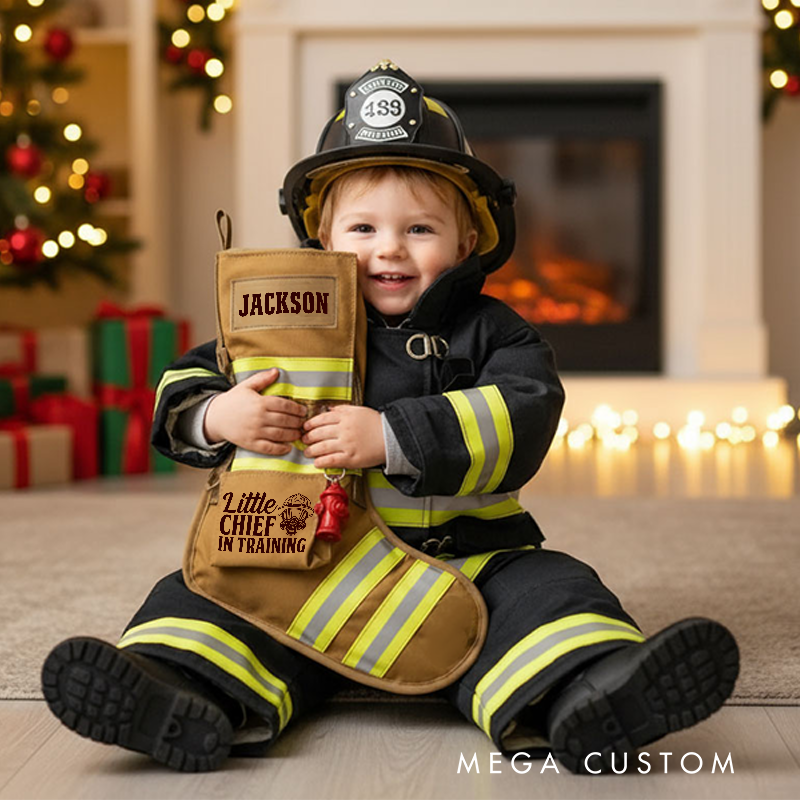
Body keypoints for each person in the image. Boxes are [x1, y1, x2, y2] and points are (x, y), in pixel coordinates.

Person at [42, 61, 739, 775]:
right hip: (299, 568)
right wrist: (220, 414)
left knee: (554, 591)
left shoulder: (494, 332)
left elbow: (528, 410)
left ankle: (593, 695)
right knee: (202, 597)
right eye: (364, 227)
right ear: (321, 236)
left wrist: (392, 435)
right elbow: (187, 377)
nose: (389, 249)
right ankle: (169, 690)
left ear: (468, 240)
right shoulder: (282, 320)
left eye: (420, 228)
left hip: (467, 562)